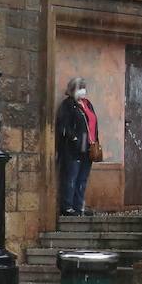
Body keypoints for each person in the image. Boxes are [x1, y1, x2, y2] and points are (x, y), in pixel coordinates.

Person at [55, 76, 99, 217]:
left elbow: (93, 123)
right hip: (73, 149)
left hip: (89, 147)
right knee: (71, 177)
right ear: (72, 90)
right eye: (79, 88)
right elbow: (63, 126)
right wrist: (74, 138)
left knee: (82, 178)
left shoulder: (88, 104)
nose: (82, 91)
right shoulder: (67, 105)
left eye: (83, 87)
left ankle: (79, 206)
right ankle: (67, 207)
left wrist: (95, 141)